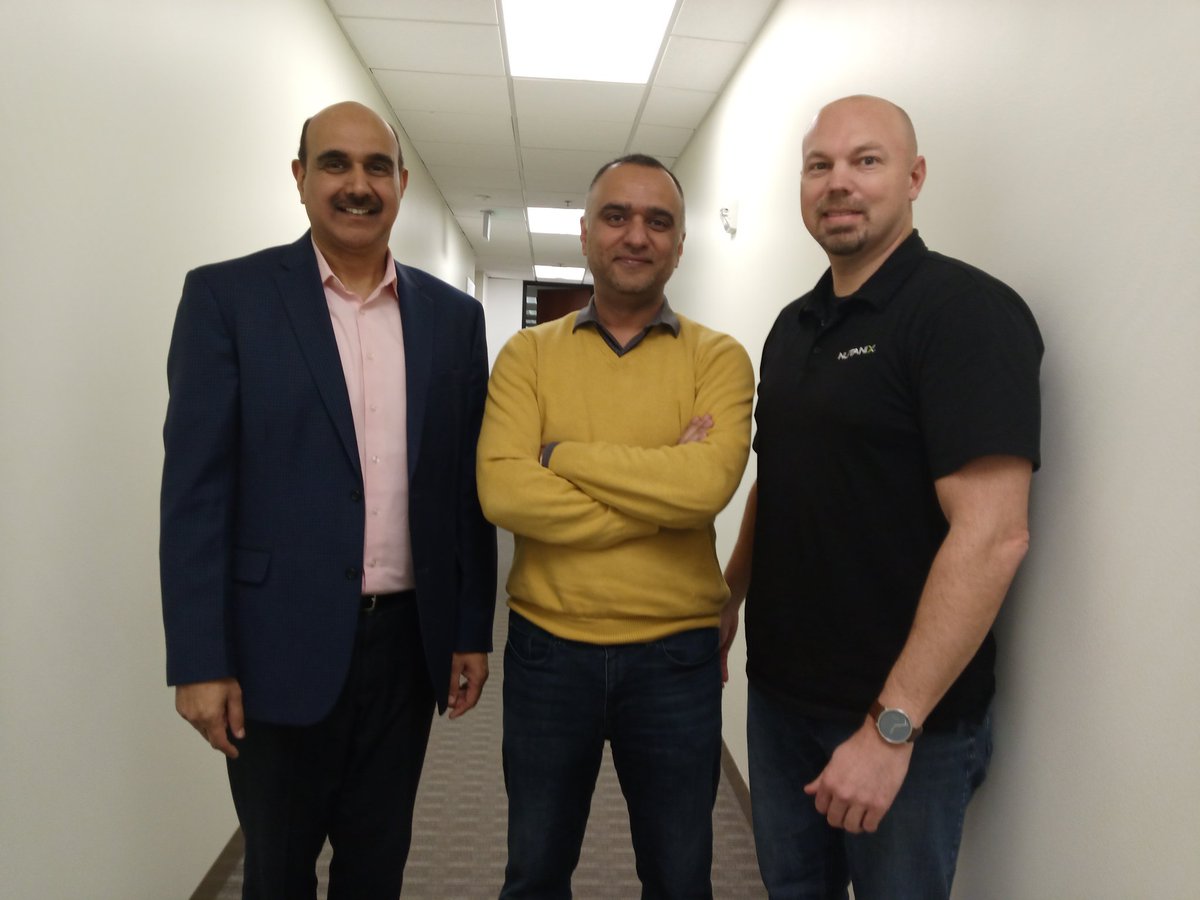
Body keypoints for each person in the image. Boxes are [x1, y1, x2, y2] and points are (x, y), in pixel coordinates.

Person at [160, 101, 496, 899]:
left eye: (377, 167)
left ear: (402, 182)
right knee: (277, 872)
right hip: (274, 645)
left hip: (406, 649)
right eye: (335, 164)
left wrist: (469, 629)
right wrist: (200, 659)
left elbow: (464, 489)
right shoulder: (228, 299)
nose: (357, 184)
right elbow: (195, 494)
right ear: (300, 177)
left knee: (377, 868)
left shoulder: (453, 319)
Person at [721, 95, 1043, 899]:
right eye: (819, 165)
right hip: (780, 699)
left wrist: (890, 730)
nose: (839, 182)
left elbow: (994, 535)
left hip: (903, 724)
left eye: (866, 161)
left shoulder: (964, 313)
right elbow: (779, 477)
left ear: (914, 177)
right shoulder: (793, 326)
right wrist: (728, 599)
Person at [477, 154, 754, 899]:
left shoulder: (720, 359)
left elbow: (705, 489)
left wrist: (558, 455)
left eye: (658, 221)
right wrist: (662, 500)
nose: (637, 235)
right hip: (547, 652)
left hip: (675, 661)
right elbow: (503, 492)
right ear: (586, 232)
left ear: (681, 243)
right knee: (534, 873)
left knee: (679, 878)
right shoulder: (527, 355)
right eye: (617, 216)